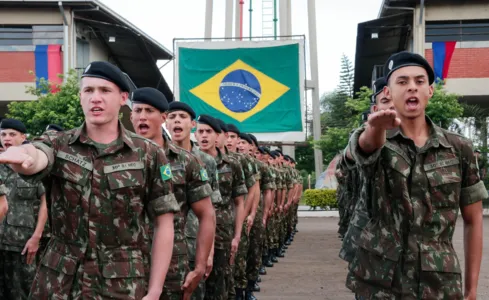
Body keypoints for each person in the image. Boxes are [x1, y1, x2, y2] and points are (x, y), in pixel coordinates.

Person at [0, 61, 180, 300]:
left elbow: (164, 223)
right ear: (80, 96)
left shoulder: (148, 154)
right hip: (60, 281)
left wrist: (155, 290)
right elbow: (38, 155)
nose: (96, 98)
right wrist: (24, 157)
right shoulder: (59, 143)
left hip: (121, 283)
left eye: (105, 91)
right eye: (89, 90)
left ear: (123, 98)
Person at [345, 51, 486, 299]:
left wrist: (472, 290)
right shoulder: (376, 138)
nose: (412, 88)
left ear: (430, 90)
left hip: (439, 281)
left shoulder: (458, 147)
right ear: (387, 92)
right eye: (402, 82)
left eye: (419, 82)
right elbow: (365, 147)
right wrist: (375, 126)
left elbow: (473, 220)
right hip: (381, 282)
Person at [130, 88, 216, 300]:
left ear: (162, 117)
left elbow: (207, 214)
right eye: (137, 110)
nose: (142, 116)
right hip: (125, 261)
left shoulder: (187, 161)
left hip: (172, 262)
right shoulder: (116, 159)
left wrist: (199, 265)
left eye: (149, 111)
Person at [166, 101, 222, 300]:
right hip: (167, 241)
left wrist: (209, 252)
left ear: (192, 125)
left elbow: (210, 211)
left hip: (197, 242)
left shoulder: (205, 161)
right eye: (172, 117)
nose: (176, 121)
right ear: (166, 122)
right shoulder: (158, 156)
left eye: (182, 117)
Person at [339, 76, 391, 264]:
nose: (391, 106)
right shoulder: (365, 136)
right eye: (385, 101)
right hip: (371, 237)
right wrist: (373, 131)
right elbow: (353, 152)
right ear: (374, 109)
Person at [194, 114, 248, 300]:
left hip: (222, 232)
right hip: (195, 231)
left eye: (209, 131)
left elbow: (239, 202)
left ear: (218, 136)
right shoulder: (190, 160)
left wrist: (237, 235)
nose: (204, 136)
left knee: (219, 281)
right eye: (200, 131)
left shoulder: (232, 164)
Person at [0, 119, 48, 300]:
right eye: (3, 134)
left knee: (24, 292)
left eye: (12, 134)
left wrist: (36, 237)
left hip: (22, 243)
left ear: (23, 137)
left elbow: (46, 203)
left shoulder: (34, 166)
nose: (7, 138)